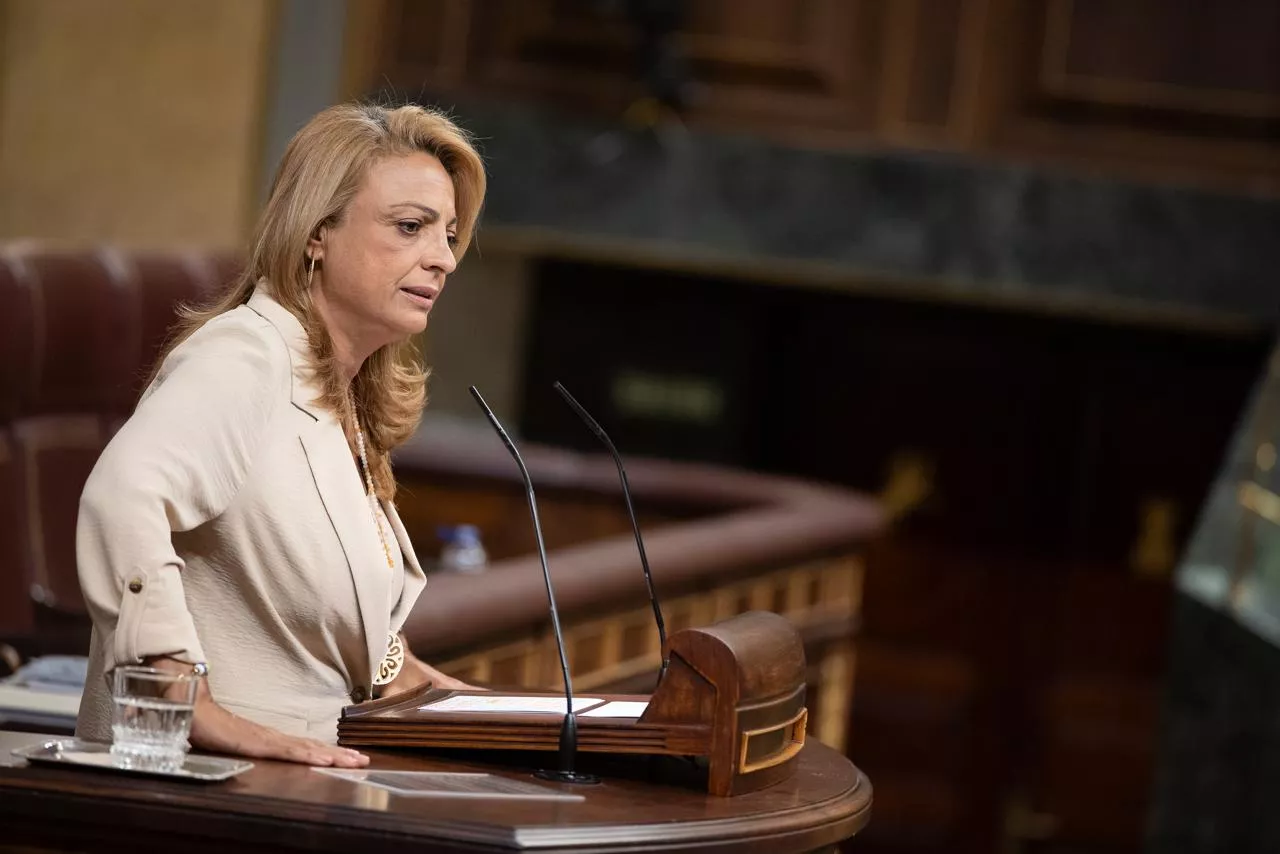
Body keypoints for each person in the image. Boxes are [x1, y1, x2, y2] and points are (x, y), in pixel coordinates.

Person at [75, 102, 486, 767]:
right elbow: (121, 497)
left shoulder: (339, 391)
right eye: (410, 227)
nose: (442, 259)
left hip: (301, 784)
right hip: (197, 787)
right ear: (316, 233)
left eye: (448, 234)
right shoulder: (246, 354)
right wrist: (179, 693)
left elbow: (321, 605)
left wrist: (404, 674)